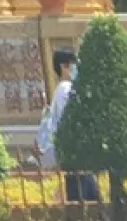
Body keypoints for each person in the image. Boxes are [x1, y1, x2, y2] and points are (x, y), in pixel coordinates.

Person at [37, 48, 98, 203]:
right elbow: (71, 119)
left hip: (75, 155)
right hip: (75, 154)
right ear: (64, 66)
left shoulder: (65, 89)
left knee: (85, 196)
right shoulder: (66, 89)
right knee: (84, 198)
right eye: (75, 64)